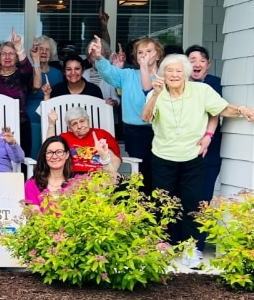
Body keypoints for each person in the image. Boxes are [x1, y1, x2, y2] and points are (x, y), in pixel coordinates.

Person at [142, 54, 254, 268]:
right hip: (163, 156)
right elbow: (146, 117)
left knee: (193, 202)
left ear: (185, 73)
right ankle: (161, 245)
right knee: (163, 202)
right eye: (169, 71)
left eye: (178, 71)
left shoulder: (201, 91)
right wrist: (156, 95)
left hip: (192, 157)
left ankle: (191, 248)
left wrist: (242, 110)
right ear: (163, 74)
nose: (174, 75)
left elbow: (222, 108)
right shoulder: (156, 93)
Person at [91, 35, 162, 195]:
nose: (144, 55)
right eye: (140, 52)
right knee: (143, 173)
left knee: (161, 172)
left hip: (161, 130)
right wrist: (100, 57)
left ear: (157, 54)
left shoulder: (165, 76)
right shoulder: (128, 75)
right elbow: (108, 73)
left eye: (149, 51)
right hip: (135, 132)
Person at [185, 45, 223, 252]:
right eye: (192, 59)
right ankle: (178, 240)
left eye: (201, 60)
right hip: (182, 149)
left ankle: (197, 244)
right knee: (183, 196)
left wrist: (207, 136)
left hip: (209, 148)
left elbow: (214, 111)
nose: (197, 64)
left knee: (203, 197)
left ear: (208, 64)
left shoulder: (214, 84)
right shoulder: (179, 85)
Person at [0, 32, 35, 155]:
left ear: (16, 57)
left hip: (20, 124)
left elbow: (27, 67)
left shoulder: (22, 75)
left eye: (11, 54)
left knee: (20, 159)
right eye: (4, 54)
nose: (7, 57)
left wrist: (19, 47)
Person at [46, 107, 121, 174]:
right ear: (70, 128)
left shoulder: (102, 135)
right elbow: (49, 149)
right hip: (71, 177)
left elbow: (115, 159)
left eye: (82, 121)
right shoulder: (64, 137)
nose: (79, 126)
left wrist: (111, 175)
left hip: (99, 176)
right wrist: (51, 125)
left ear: (88, 120)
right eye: (74, 124)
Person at [27, 36, 63, 158]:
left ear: (52, 53)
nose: (43, 52)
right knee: (34, 153)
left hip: (52, 119)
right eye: (40, 49)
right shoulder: (28, 71)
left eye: (47, 50)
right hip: (32, 118)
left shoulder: (57, 74)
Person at [24, 136, 75, 208]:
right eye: (49, 152)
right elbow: (35, 216)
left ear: (67, 155)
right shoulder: (32, 184)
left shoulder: (76, 184)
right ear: (44, 156)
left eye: (59, 152)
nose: (54, 156)